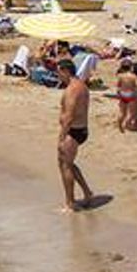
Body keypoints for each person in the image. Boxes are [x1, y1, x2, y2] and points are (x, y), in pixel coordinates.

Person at [56, 59, 96, 212]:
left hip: (74, 131)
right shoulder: (81, 85)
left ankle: (70, 203)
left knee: (64, 165)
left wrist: (61, 137)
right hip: (79, 129)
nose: (58, 75)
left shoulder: (73, 89)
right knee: (68, 164)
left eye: (59, 72)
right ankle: (87, 193)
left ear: (65, 71)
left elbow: (69, 116)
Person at [114, 60, 137, 133]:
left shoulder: (120, 76)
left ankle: (120, 124)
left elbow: (118, 86)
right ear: (131, 67)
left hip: (123, 95)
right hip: (131, 95)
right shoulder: (133, 76)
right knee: (133, 112)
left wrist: (119, 94)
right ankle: (128, 123)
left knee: (122, 113)